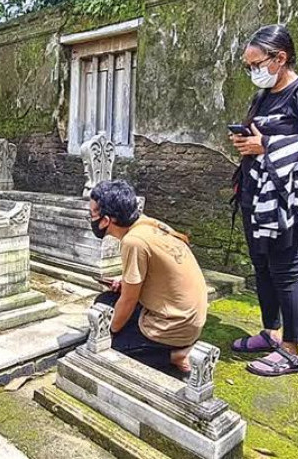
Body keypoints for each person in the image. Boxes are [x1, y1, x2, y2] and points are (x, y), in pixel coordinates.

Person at [230, 24, 298, 376]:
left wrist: (265, 146)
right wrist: (246, 144)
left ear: (280, 58)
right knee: (262, 265)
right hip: (255, 196)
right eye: (247, 66)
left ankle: (292, 348)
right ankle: (271, 333)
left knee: (286, 272)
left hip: (284, 201)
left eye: (255, 64)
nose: (252, 71)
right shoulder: (263, 96)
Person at [90, 180, 208, 375]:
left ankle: (176, 356)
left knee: (111, 342)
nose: (91, 218)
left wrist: (108, 334)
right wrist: (123, 282)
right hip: (190, 317)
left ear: (106, 220)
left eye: (92, 214)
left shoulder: (133, 241)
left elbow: (129, 300)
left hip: (175, 324)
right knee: (104, 302)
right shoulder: (148, 223)